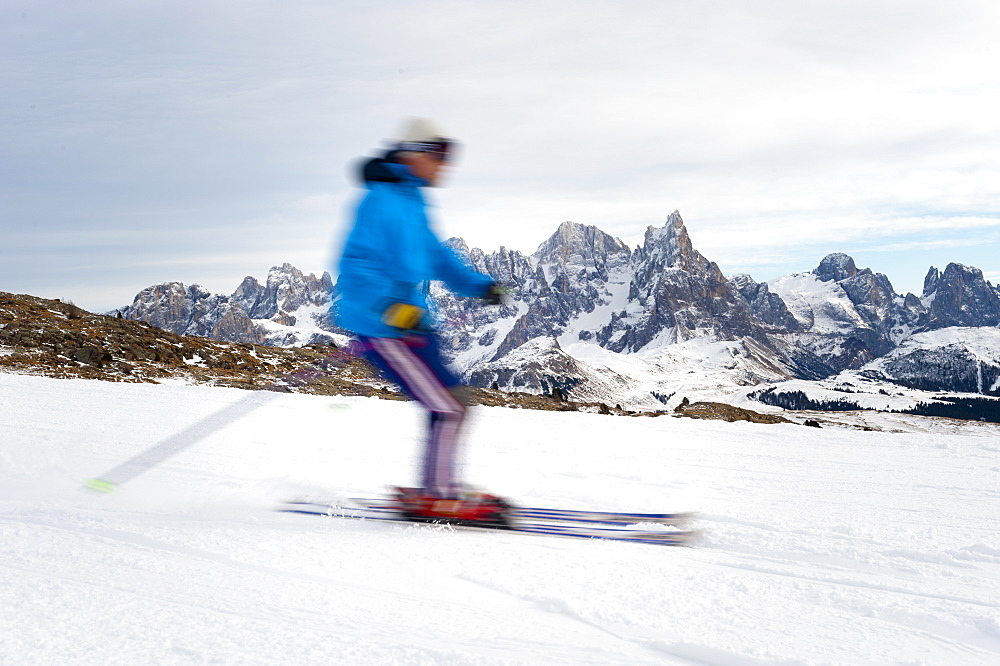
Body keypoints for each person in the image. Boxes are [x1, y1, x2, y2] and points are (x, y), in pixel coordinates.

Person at [334, 118, 508, 525]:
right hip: (385, 329)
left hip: (412, 324)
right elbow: (356, 268)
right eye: (440, 155)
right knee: (450, 407)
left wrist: (480, 286)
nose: (445, 165)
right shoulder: (380, 202)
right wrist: (390, 309)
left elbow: (438, 257)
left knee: (450, 403)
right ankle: (441, 494)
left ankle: (437, 485)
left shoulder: (411, 203)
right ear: (417, 154)